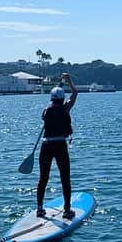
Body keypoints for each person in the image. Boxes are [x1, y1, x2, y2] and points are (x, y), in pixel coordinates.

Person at [37, 73, 78, 219]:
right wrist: (69, 81)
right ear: (62, 99)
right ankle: (67, 210)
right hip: (60, 145)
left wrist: (61, 84)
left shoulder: (45, 111)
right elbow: (75, 93)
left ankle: (40, 209)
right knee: (65, 178)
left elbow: (51, 108)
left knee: (43, 178)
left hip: (46, 145)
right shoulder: (65, 108)